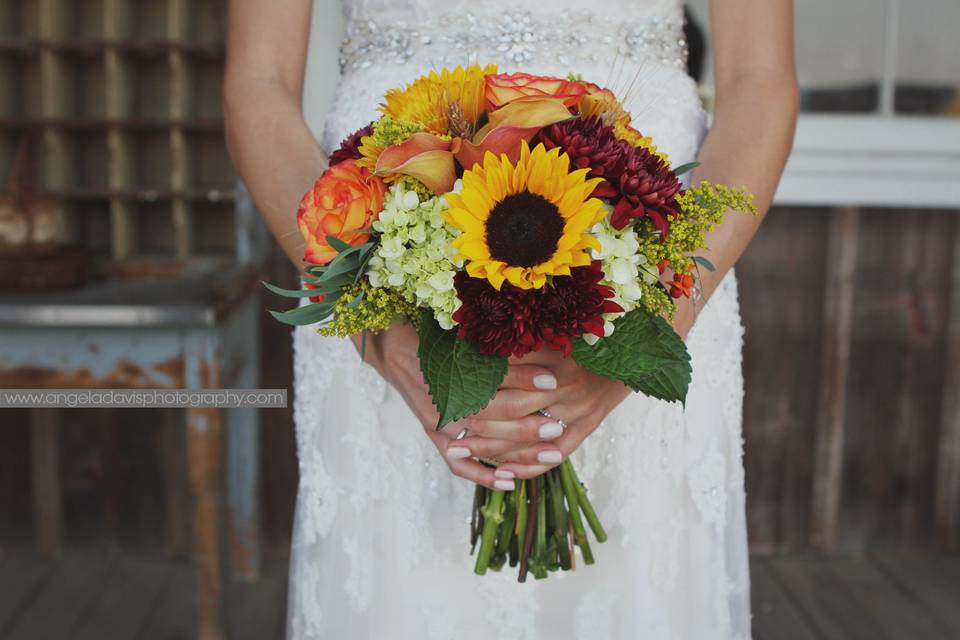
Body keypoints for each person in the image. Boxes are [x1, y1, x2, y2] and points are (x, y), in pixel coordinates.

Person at [225, 0, 798, 637]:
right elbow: (259, 82)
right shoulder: (374, 288)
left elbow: (759, 81)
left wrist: (658, 322)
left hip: (655, 243)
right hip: (379, 231)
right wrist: (373, 326)